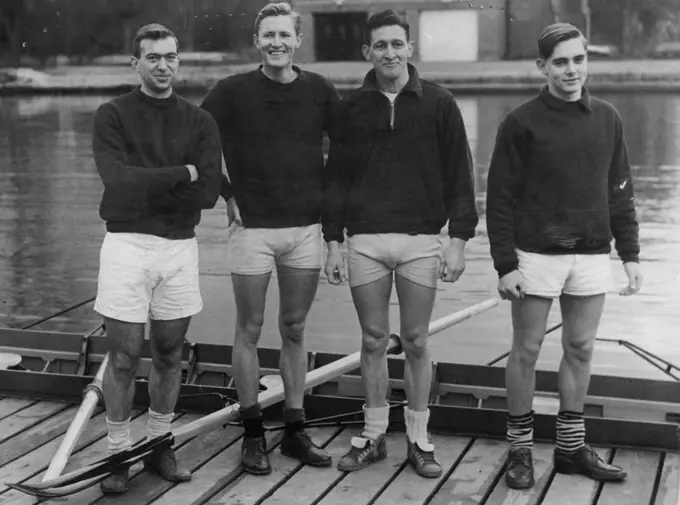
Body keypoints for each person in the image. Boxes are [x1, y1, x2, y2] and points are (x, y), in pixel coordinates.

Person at [485, 22, 643, 490]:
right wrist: (505, 264)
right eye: (560, 62)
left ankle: (571, 450)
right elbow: (499, 198)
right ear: (543, 67)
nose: (571, 70)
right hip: (535, 256)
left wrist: (630, 254)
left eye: (578, 59)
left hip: (592, 255)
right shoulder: (520, 122)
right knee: (527, 350)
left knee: (580, 349)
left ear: (586, 61)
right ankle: (520, 451)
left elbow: (621, 191)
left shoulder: (608, 117)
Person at [322, 10, 478, 479]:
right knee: (372, 340)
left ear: (410, 48)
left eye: (397, 44)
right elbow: (336, 180)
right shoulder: (350, 108)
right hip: (364, 241)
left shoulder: (439, 103)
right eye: (380, 45)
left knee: (415, 340)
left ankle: (418, 438)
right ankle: (373, 436)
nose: (390, 52)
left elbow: (461, 177)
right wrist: (332, 241)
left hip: (421, 242)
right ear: (367, 53)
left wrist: (459, 241)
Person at [199, 2, 338, 475]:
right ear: (257, 41)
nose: (277, 42)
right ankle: (254, 432)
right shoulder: (231, 91)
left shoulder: (319, 90)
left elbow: (346, 151)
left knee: (295, 328)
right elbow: (196, 139)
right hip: (251, 230)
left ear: (298, 40)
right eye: (268, 35)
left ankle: (295, 430)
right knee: (250, 330)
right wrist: (225, 191)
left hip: (304, 230)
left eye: (284, 34)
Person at [91, 23, 222, 494]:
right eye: (152, 58)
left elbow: (207, 193)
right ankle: (118, 453)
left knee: (168, 352)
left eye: (170, 57)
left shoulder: (200, 121)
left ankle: (158, 444)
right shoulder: (112, 114)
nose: (163, 65)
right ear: (136, 63)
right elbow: (116, 180)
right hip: (126, 246)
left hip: (178, 248)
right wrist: (180, 174)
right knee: (124, 357)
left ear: (178, 61)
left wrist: (154, 181)